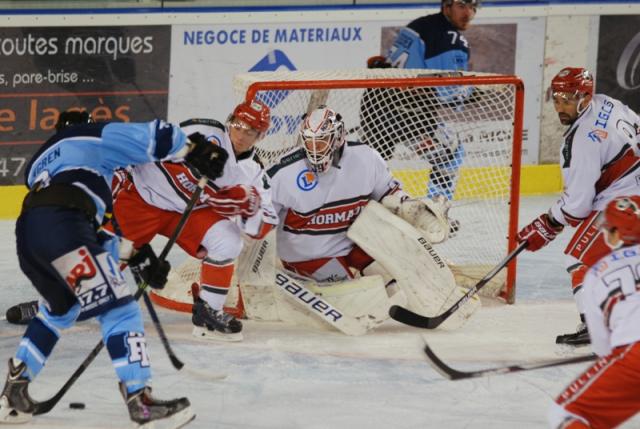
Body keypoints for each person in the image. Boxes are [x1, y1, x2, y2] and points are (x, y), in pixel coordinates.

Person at [0, 110, 228, 426]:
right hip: (62, 227)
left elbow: (85, 230)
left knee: (59, 310)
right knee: (119, 308)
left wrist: (136, 254)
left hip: (31, 236)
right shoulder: (92, 137)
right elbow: (154, 136)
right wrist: (195, 149)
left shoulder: (46, 163)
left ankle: (14, 394)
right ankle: (141, 401)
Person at [263, 106, 477, 331]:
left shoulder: (366, 158)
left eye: (322, 140)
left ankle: (433, 307)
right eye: (310, 141)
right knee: (360, 299)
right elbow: (259, 214)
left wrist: (411, 208)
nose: (315, 148)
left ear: (338, 137)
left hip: (355, 241)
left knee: (395, 279)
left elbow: (390, 194)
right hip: (309, 254)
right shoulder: (284, 173)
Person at [109, 100, 277, 342]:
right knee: (102, 264)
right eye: (239, 125)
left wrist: (247, 209)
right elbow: (154, 143)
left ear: (261, 136)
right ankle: (52, 304)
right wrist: (190, 151)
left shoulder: (253, 171)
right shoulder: (206, 132)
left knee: (229, 241)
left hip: (189, 213)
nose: (241, 134)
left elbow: (266, 222)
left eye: (250, 131)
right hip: (142, 199)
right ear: (231, 121)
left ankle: (208, 314)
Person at [517, 67, 640, 346]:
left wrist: (548, 223)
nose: (560, 107)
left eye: (568, 100)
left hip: (625, 199)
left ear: (585, 97)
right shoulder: (608, 102)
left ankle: (594, 326)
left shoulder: (582, 139)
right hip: (631, 190)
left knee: (580, 258)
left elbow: (577, 206)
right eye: (557, 99)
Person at [360, 0, 478, 200]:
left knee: (372, 165)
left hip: (374, 104)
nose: (468, 12)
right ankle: (436, 210)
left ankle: (353, 210)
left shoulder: (419, 25)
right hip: (408, 114)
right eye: (462, 5)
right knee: (451, 153)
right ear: (446, 6)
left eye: (473, 7)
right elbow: (452, 92)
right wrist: (474, 93)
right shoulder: (450, 38)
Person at [548, 195, 640, 429]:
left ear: (617, 234)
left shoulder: (597, 274)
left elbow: (603, 347)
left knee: (567, 414)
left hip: (634, 356)